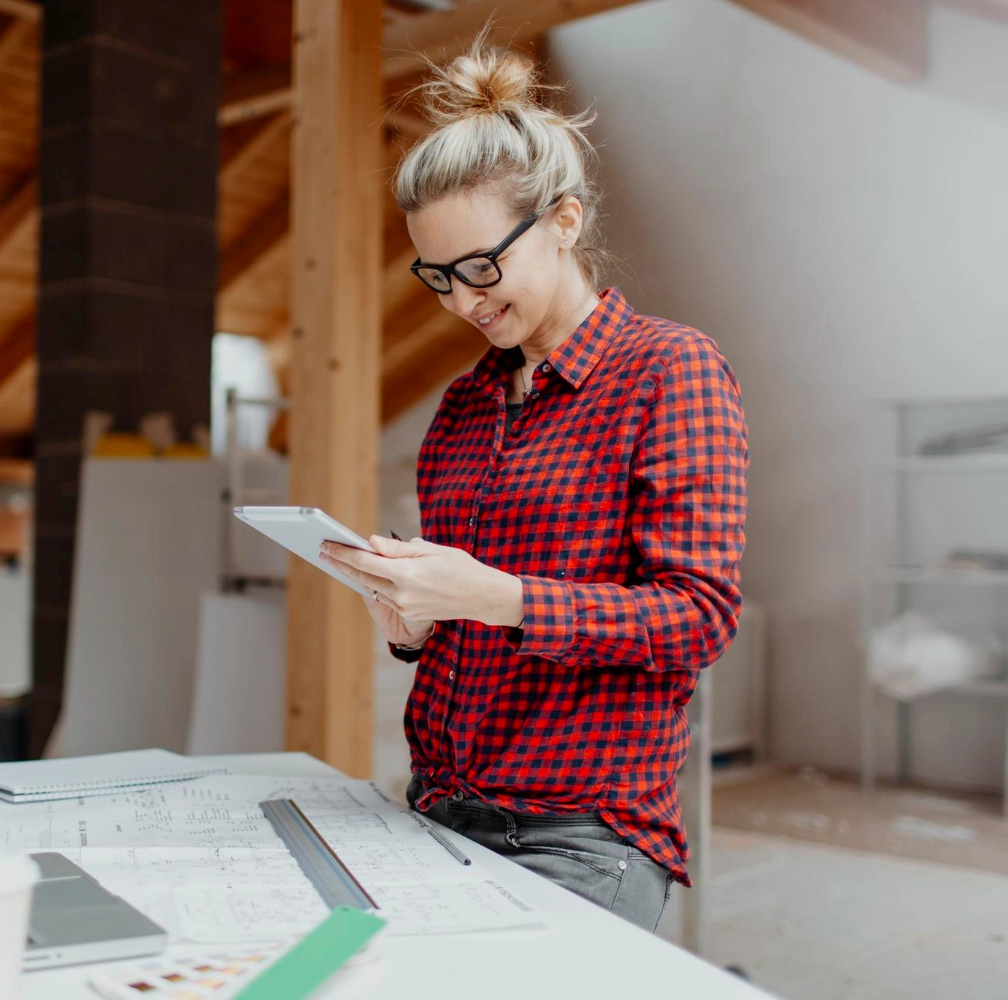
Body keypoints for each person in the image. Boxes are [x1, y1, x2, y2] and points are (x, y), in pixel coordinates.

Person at [319, 38, 748, 932]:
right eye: (437, 279)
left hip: (582, 834)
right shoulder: (463, 406)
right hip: (439, 807)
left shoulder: (670, 371)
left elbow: (699, 616)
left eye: (481, 266)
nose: (465, 302)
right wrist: (415, 627)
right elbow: (467, 621)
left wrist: (500, 596)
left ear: (563, 221)